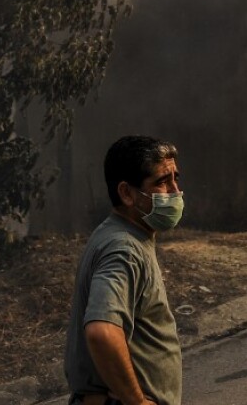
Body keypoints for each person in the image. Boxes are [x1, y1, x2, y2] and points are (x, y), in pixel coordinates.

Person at [64, 136, 185, 405]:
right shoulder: (124, 250)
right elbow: (102, 331)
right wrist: (138, 402)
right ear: (127, 193)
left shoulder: (121, 235)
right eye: (162, 182)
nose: (175, 191)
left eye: (175, 178)